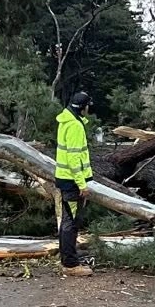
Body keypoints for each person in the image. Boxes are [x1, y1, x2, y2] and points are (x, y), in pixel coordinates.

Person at [55, 91, 97, 276]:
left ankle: (68, 257)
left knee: (67, 220)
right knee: (71, 222)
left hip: (65, 179)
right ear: (83, 107)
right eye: (88, 105)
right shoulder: (75, 126)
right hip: (72, 181)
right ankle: (70, 265)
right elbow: (73, 158)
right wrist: (82, 184)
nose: (89, 108)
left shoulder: (67, 121)